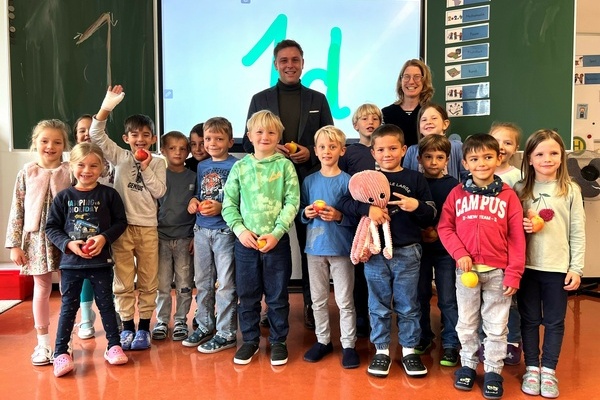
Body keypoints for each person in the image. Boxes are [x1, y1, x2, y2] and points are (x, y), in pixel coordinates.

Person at [243, 39, 333, 329]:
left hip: (309, 183)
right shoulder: (260, 99)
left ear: (303, 64)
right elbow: (247, 142)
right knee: (269, 250)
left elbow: (329, 139)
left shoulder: (318, 99)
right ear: (275, 64)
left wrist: (311, 152)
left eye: (295, 60)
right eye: (284, 60)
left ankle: (312, 305)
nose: (290, 65)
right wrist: (272, 149)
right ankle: (270, 308)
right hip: (269, 188)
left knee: (311, 248)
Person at [339, 124, 436, 378]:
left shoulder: (415, 179)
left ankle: (409, 351)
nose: (387, 154)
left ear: (404, 150)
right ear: (373, 153)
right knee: (378, 304)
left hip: (408, 252)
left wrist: (416, 205)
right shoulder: (365, 178)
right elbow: (344, 202)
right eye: (381, 149)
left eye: (393, 148)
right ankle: (381, 350)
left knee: (408, 304)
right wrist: (367, 209)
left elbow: (430, 213)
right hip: (375, 253)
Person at [437, 134, 526, 399]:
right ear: (465, 163)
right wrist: (459, 253)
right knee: (466, 322)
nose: (482, 163)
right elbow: (445, 227)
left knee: (497, 326)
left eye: (488, 157)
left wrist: (514, 272)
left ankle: (493, 371)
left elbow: (517, 237)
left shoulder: (508, 196)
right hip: (466, 272)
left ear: (498, 158)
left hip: (499, 273)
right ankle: (467, 365)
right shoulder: (457, 194)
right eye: (474, 159)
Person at [89, 85, 167, 351]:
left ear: (153, 139)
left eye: (146, 135)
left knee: (148, 279)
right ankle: (126, 327)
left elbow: (159, 191)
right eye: (135, 135)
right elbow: (96, 134)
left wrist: (145, 167)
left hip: (147, 228)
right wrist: (106, 106)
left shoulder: (158, 162)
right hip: (121, 228)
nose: (140, 139)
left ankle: (144, 327)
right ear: (126, 138)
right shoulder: (119, 156)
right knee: (123, 280)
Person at [222, 110, 300, 366]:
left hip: (276, 243)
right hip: (246, 244)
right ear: (249, 136)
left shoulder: (285, 166)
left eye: (271, 132)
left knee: (277, 296)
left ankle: (278, 341)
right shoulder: (240, 167)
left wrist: (277, 233)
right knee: (248, 296)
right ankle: (250, 340)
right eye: (259, 132)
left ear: (279, 137)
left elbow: (292, 202)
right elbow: (229, 204)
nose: (265, 136)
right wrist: (240, 231)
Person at [45, 142, 129, 377]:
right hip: (71, 264)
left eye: (94, 165)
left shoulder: (109, 194)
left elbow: (120, 222)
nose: (87, 170)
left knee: (106, 305)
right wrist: (68, 244)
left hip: (101, 263)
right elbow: (51, 227)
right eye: (81, 165)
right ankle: (61, 352)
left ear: (102, 167)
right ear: (71, 166)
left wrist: (103, 238)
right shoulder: (63, 197)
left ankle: (114, 345)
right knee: (68, 308)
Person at [515, 130, 585, 398]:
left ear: (562, 156)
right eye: (540, 154)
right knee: (530, 319)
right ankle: (532, 367)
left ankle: (549, 370)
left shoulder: (570, 190)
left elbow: (577, 231)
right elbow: (510, 230)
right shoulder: (520, 189)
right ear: (529, 158)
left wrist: (576, 268)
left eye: (554, 153)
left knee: (555, 321)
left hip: (557, 269)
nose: (547, 159)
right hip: (527, 268)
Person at [5, 119, 72, 366]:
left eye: (57, 142)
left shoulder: (70, 171)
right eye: (44, 141)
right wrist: (14, 244)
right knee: (42, 288)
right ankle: (43, 343)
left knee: (68, 289)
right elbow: (17, 208)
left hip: (66, 239)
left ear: (65, 145)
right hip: (36, 239)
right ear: (35, 142)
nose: (50, 146)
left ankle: (65, 342)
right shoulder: (27, 172)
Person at [300, 125, 359, 368]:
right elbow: (301, 212)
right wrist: (306, 213)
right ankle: (323, 341)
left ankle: (349, 345)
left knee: (345, 300)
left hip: (341, 249)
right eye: (322, 147)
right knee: (318, 300)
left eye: (332, 147)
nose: (327, 151)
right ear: (315, 150)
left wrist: (339, 216)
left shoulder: (349, 182)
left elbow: (356, 216)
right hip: (314, 249)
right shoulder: (309, 181)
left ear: (342, 150)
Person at [184, 117, 238, 353]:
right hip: (201, 231)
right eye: (208, 139)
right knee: (203, 282)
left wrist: (221, 207)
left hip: (225, 231)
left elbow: (241, 200)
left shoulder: (237, 166)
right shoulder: (203, 166)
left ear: (230, 141)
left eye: (219, 139)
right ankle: (205, 325)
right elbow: (200, 192)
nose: (212, 143)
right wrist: (194, 201)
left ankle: (226, 332)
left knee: (225, 284)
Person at [413, 134, 460, 367]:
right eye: (428, 157)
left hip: (446, 251)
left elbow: (457, 219)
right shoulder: (415, 182)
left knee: (448, 298)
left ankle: (451, 342)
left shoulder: (454, 186)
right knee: (420, 295)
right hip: (419, 250)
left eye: (439, 157)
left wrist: (441, 234)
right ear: (419, 159)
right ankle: (424, 336)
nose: (433, 162)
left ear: (447, 160)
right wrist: (420, 232)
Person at [338, 103, 382, 338]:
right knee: (359, 270)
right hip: (358, 220)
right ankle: (361, 317)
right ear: (355, 125)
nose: (370, 122)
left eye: (375, 118)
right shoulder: (349, 152)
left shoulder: (383, 150)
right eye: (364, 119)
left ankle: (379, 317)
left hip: (382, 220)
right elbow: (344, 186)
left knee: (379, 270)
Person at [72, 114, 117, 339]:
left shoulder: (112, 163)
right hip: (79, 233)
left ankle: (115, 313)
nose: (87, 134)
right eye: (82, 130)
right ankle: (86, 317)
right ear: (75, 135)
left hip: (108, 231)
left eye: (92, 129)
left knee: (110, 274)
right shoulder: (71, 167)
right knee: (83, 275)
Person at [151, 131, 196, 342]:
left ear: (188, 152)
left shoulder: (193, 177)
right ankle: (162, 321)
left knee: (184, 283)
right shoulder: (158, 175)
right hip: (161, 238)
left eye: (182, 148)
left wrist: (195, 236)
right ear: (163, 150)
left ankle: (180, 320)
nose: (177, 152)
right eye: (172, 148)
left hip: (185, 238)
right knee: (162, 284)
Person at [490, 121, 523, 365]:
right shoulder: (477, 173)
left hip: (507, 249)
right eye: (497, 141)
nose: (501, 146)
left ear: (516, 148)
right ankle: (487, 340)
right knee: (486, 299)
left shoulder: (517, 178)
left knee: (509, 299)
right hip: (485, 249)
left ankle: (512, 341)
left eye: (508, 142)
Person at [402, 103, 466, 181]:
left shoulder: (457, 147)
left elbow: (467, 175)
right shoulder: (412, 151)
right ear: (419, 127)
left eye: (434, 118)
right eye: (424, 120)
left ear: (445, 124)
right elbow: (405, 178)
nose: (428, 122)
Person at [381, 59, 434, 148]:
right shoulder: (386, 113)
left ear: (424, 81)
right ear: (400, 81)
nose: (411, 81)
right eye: (406, 76)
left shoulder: (431, 112)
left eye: (417, 77)